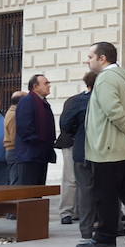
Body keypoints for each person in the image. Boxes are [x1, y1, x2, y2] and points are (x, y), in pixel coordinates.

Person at [76, 42, 125, 247]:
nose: (87, 60)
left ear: (102, 58)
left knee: (105, 196)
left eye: (90, 56)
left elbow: (114, 112)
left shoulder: (106, 79)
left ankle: (105, 238)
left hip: (107, 149)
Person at [60, 72, 98, 240]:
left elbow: (66, 124)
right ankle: (110, 224)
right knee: (106, 188)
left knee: (85, 190)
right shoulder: (105, 100)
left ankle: (86, 229)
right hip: (101, 151)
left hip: (81, 149)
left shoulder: (75, 101)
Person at [15, 75, 56, 186]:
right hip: (30, 155)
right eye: (46, 83)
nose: (49, 85)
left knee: (38, 192)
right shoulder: (27, 101)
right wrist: (37, 142)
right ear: (35, 86)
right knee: (28, 193)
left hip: (41, 155)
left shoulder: (43, 102)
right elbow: (24, 128)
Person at [56, 92, 80, 225]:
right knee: (70, 179)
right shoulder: (75, 101)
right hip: (71, 142)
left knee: (77, 179)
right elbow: (65, 124)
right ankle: (66, 212)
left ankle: (74, 211)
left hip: (80, 143)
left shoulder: (73, 100)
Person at [4, 91, 26, 190]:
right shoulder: (14, 114)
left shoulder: (13, 113)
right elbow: (14, 136)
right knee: (16, 181)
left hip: (13, 150)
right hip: (14, 150)